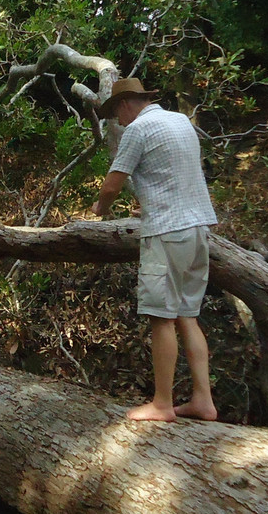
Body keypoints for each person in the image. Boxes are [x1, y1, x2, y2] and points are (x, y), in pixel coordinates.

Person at [90, 78, 219, 423]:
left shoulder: (138, 129)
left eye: (116, 112)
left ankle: (163, 403)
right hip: (197, 230)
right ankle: (203, 400)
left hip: (166, 234)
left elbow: (112, 184)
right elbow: (176, 176)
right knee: (187, 315)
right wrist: (148, 207)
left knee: (161, 318)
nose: (117, 120)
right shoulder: (180, 121)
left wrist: (95, 213)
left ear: (124, 104)